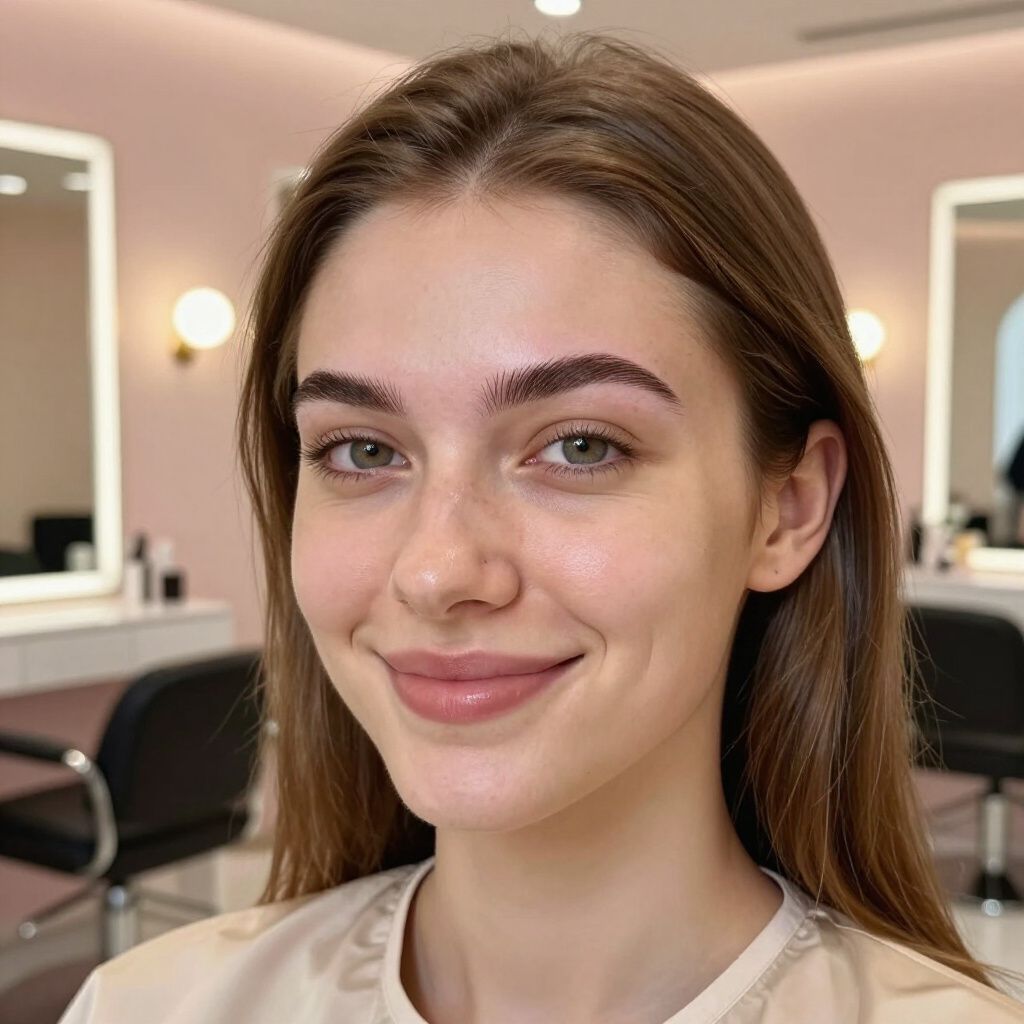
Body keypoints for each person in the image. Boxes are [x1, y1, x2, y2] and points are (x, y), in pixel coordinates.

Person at [59, 30, 1024, 1024]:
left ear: (788, 506)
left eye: (579, 447)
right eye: (363, 450)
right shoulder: (150, 1006)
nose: (436, 572)